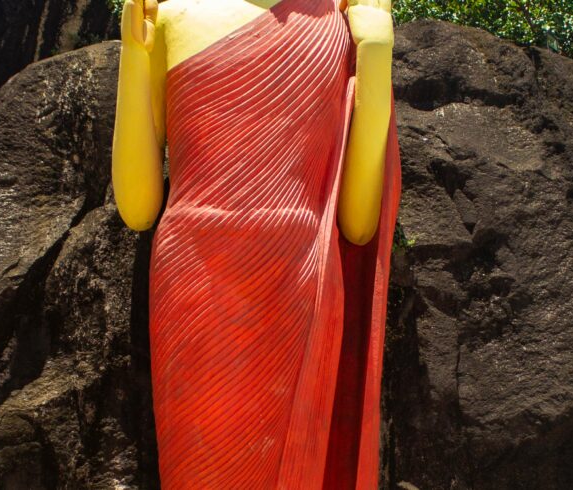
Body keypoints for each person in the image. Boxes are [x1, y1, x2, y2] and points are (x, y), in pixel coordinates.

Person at [110, 0, 401, 485]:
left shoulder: (338, 22)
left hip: (301, 277)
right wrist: (134, 54)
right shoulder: (171, 14)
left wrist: (376, 52)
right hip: (195, 284)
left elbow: (358, 224)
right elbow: (137, 208)